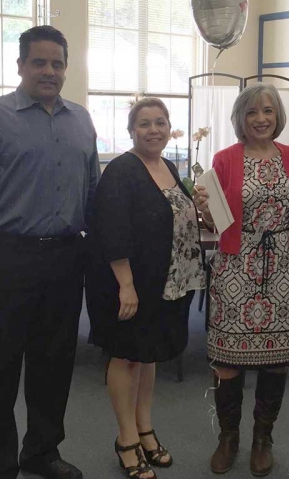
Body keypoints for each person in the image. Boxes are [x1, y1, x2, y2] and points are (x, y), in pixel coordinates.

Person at [0, 26, 100, 479]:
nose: (49, 71)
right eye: (39, 62)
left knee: (53, 365)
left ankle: (42, 452)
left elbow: (92, 190)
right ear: (20, 66)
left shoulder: (82, 120)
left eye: (57, 63)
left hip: (64, 260)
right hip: (6, 260)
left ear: (66, 68)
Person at [86, 98, 203, 479]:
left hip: (164, 283)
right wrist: (126, 286)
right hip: (129, 284)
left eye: (160, 122)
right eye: (144, 124)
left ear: (169, 127)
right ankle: (125, 440)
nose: (154, 130)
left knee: (148, 355)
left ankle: (145, 428)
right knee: (126, 356)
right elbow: (112, 232)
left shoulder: (168, 166)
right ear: (131, 131)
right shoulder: (121, 171)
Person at [193, 83, 289, 476]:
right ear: (241, 117)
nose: (261, 119)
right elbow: (215, 223)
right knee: (227, 362)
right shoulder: (224, 159)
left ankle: (262, 438)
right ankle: (228, 437)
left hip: (283, 272)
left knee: (277, 362)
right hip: (234, 268)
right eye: (253, 112)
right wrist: (203, 209)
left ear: (278, 117)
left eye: (268, 111)